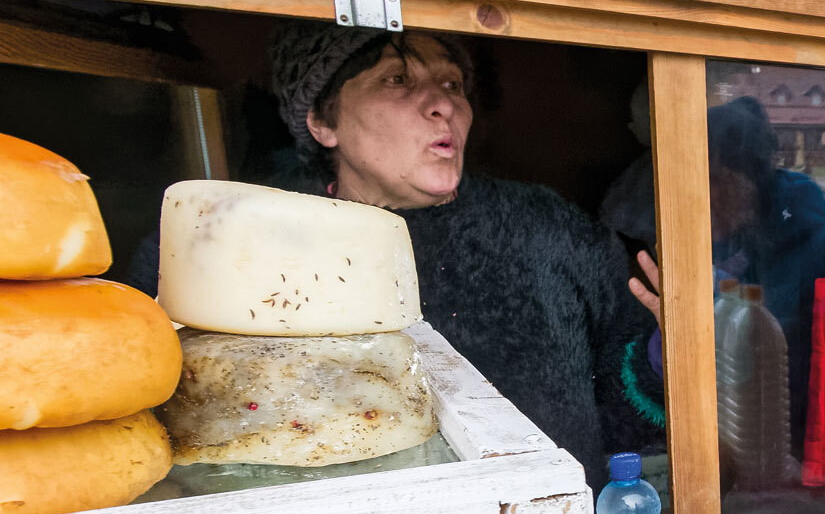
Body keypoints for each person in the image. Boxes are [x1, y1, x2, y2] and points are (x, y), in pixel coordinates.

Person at [127, 24, 660, 487]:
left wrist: (661, 361)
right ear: (322, 122)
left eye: (452, 84)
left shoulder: (551, 230)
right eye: (397, 80)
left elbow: (627, 426)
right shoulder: (228, 245)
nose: (443, 104)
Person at [626, 97, 825, 514]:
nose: (700, 201)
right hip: (756, 481)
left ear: (738, 175)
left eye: (710, 182)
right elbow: (707, 380)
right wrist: (669, 342)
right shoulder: (722, 257)